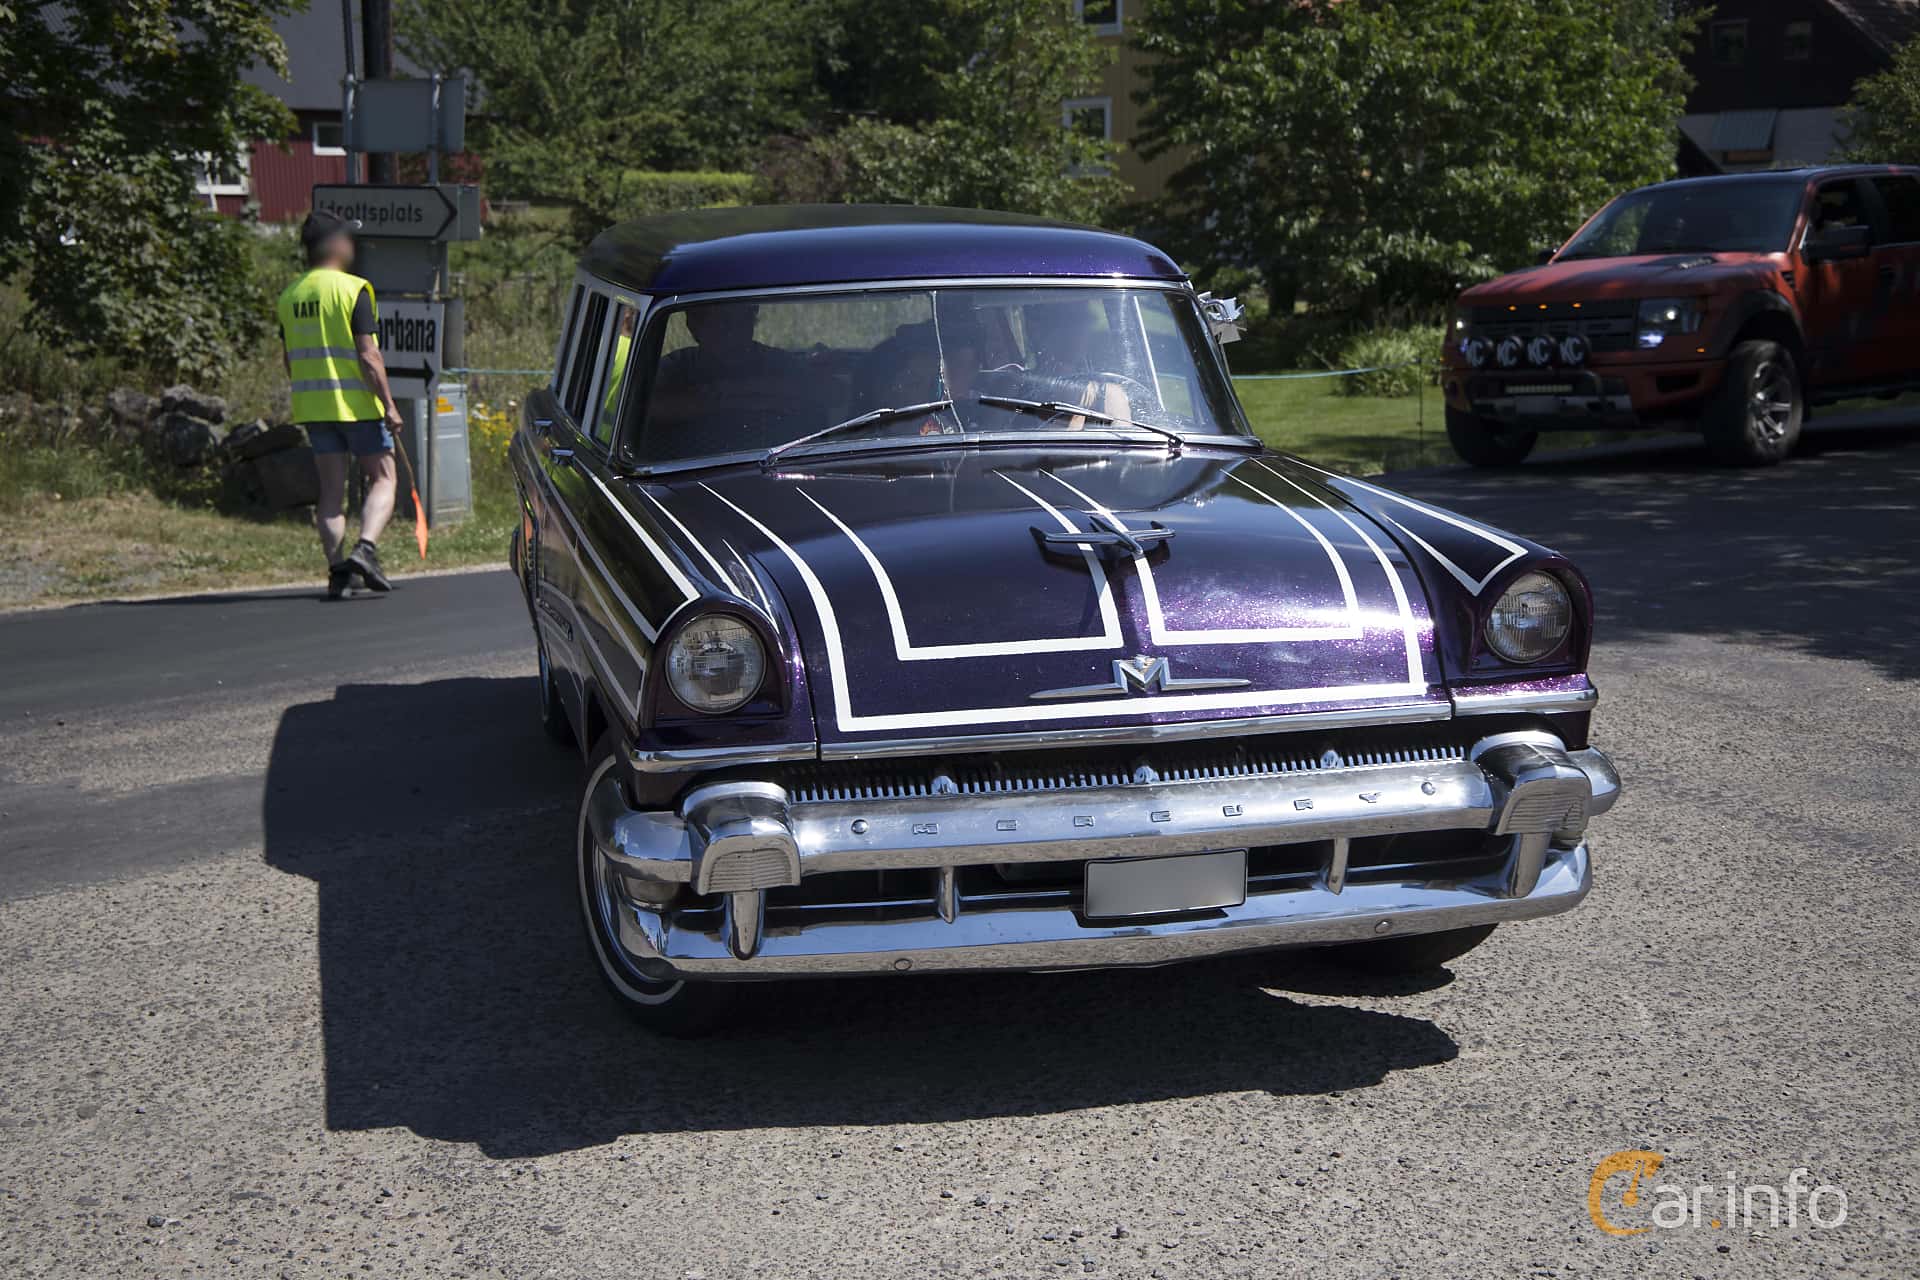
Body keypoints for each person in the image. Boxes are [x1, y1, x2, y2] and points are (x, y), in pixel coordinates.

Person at [276, 210, 405, 598]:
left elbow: (288, 359)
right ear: (333, 245)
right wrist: (389, 405)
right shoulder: (353, 290)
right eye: (347, 238)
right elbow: (369, 356)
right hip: (357, 405)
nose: (352, 245)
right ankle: (365, 549)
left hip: (314, 408)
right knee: (384, 477)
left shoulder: (290, 294)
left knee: (331, 493)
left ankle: (337, 572)